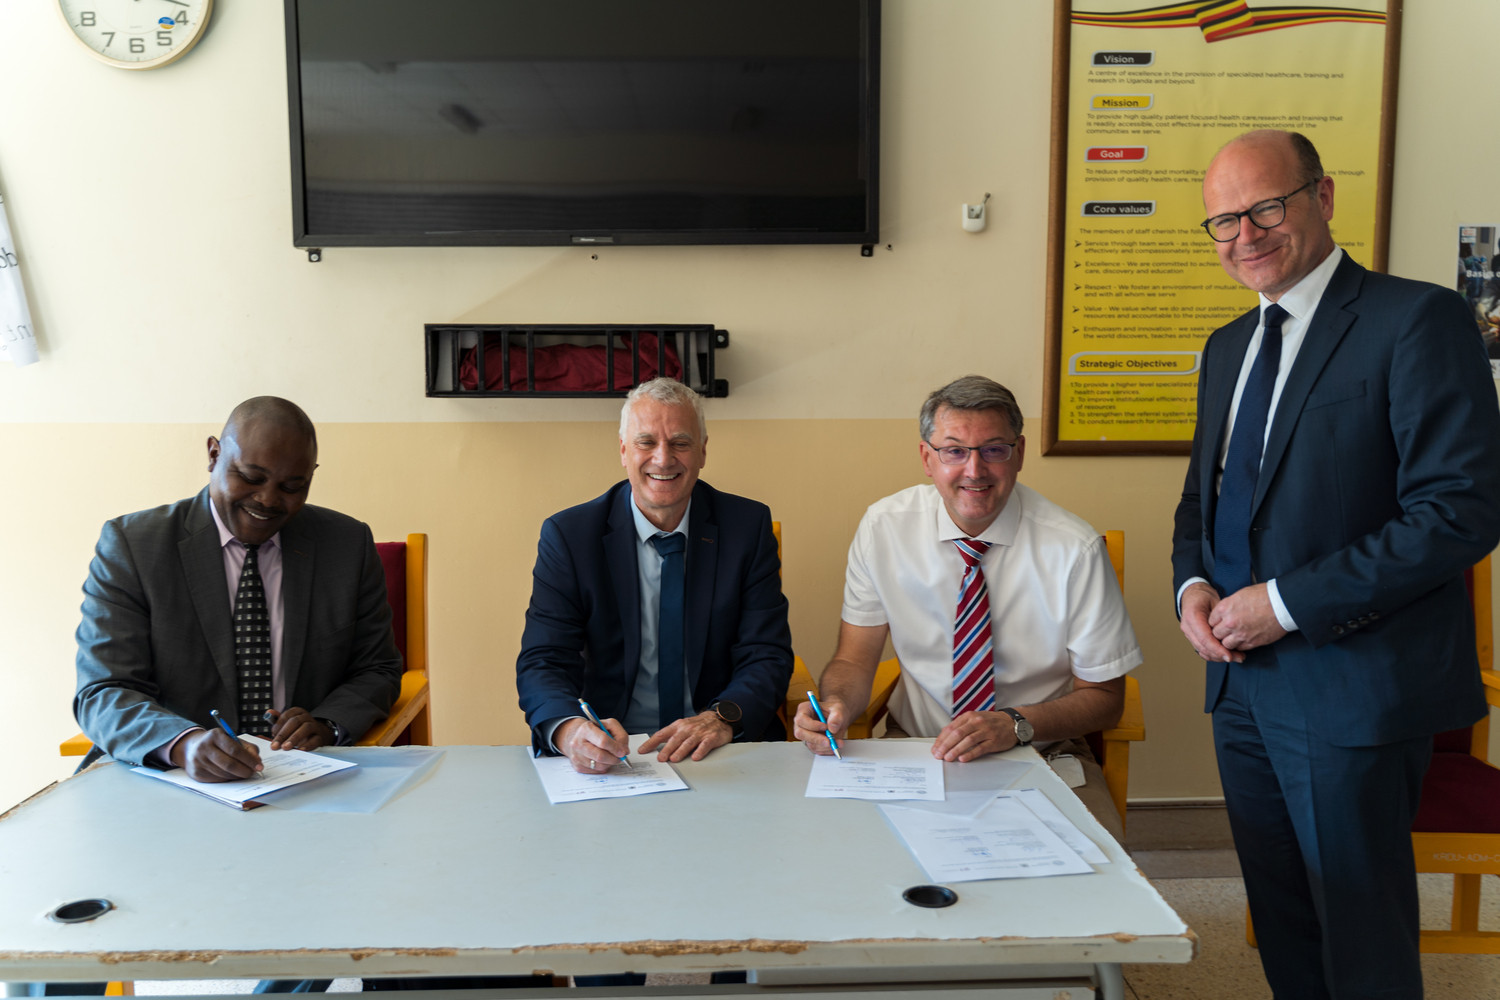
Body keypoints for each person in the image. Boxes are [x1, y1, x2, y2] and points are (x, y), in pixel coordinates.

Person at [1173, 130, 1500, 1000]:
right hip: (1241, 686)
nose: (1245, 234)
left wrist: (1281, 604)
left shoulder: (1417, 319)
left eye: (1265, 208)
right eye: (1223, 221)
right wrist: (1192, 588)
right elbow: (1199, 505)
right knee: (1282, 915)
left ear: (1322, 197)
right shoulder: (1225, 348)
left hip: (1355, 684)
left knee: (1360, 930)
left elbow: (1458, 513)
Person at [68, 396, 404, 996]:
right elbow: (102, 690)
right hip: (165, 790)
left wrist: (328, 722)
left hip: (301, 787)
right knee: (59, 922)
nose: (270, 500)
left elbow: (378, 667)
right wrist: (181, 742)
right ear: (213, 454)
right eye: (251, 477)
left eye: (293, 486)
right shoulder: (134, 544)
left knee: (369, 904)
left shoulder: (344, 544)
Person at [792, 375, 1141, 841]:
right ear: (926, 459)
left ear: (1018, 453)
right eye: (954, 450)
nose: (974, 470)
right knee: (851, 853)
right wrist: (835, 704)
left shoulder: (1073, 548)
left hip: (1040, 747)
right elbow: (855, 659)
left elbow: (1105, 700)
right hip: (917, 748)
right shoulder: (884, 528)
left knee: (1095, 877)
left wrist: (1015, 725)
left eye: (993, 449)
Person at [517, 376, 794, 770]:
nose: (663, 459)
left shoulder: (746, 528)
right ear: (623, 450)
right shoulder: (570, 536)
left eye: (680, 443)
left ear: (702, 452)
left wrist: (720, 719)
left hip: (716, 745)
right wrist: (570, 730)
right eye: (646, 442)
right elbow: (544, 659)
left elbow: (765, 653)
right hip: (614, 751)